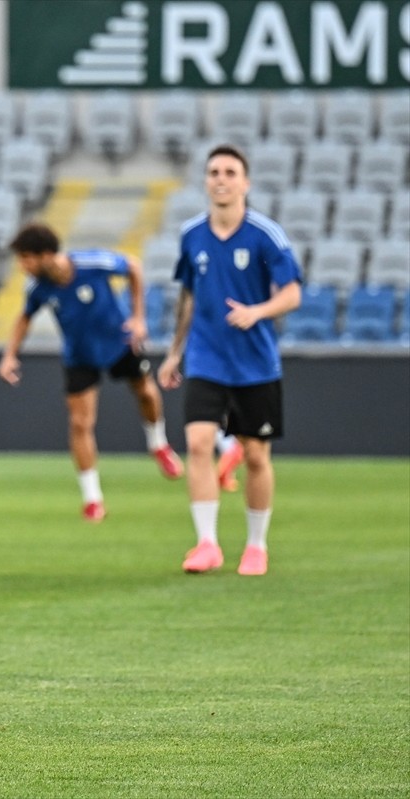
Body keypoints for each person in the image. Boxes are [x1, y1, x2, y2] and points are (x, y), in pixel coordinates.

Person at [158, 143, 302, 577]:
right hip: (206, 358)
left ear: (246, 182)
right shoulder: (192, 235)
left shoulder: (265, 235)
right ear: (206, 181)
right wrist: (175, 352)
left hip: (255, 363)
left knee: (257, 455)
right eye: (214, 172)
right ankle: (207, 543)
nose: (221, 179)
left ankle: (256, 545)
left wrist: (256, 311)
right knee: (199, 443)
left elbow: (292, 293)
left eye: (230, 172)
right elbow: (188, 295)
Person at [0, 222, 184, 522]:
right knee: (80, 423)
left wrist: (138, 318)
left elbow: (133, 267)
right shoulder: (38, 288)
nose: (23, 266)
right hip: (80, 356)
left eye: (26, 258)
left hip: (119, 342)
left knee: (147, 393)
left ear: (45, 255)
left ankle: (158, 444)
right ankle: (93, 499)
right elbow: (24, 317)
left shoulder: (91, 264)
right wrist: (9, 356)